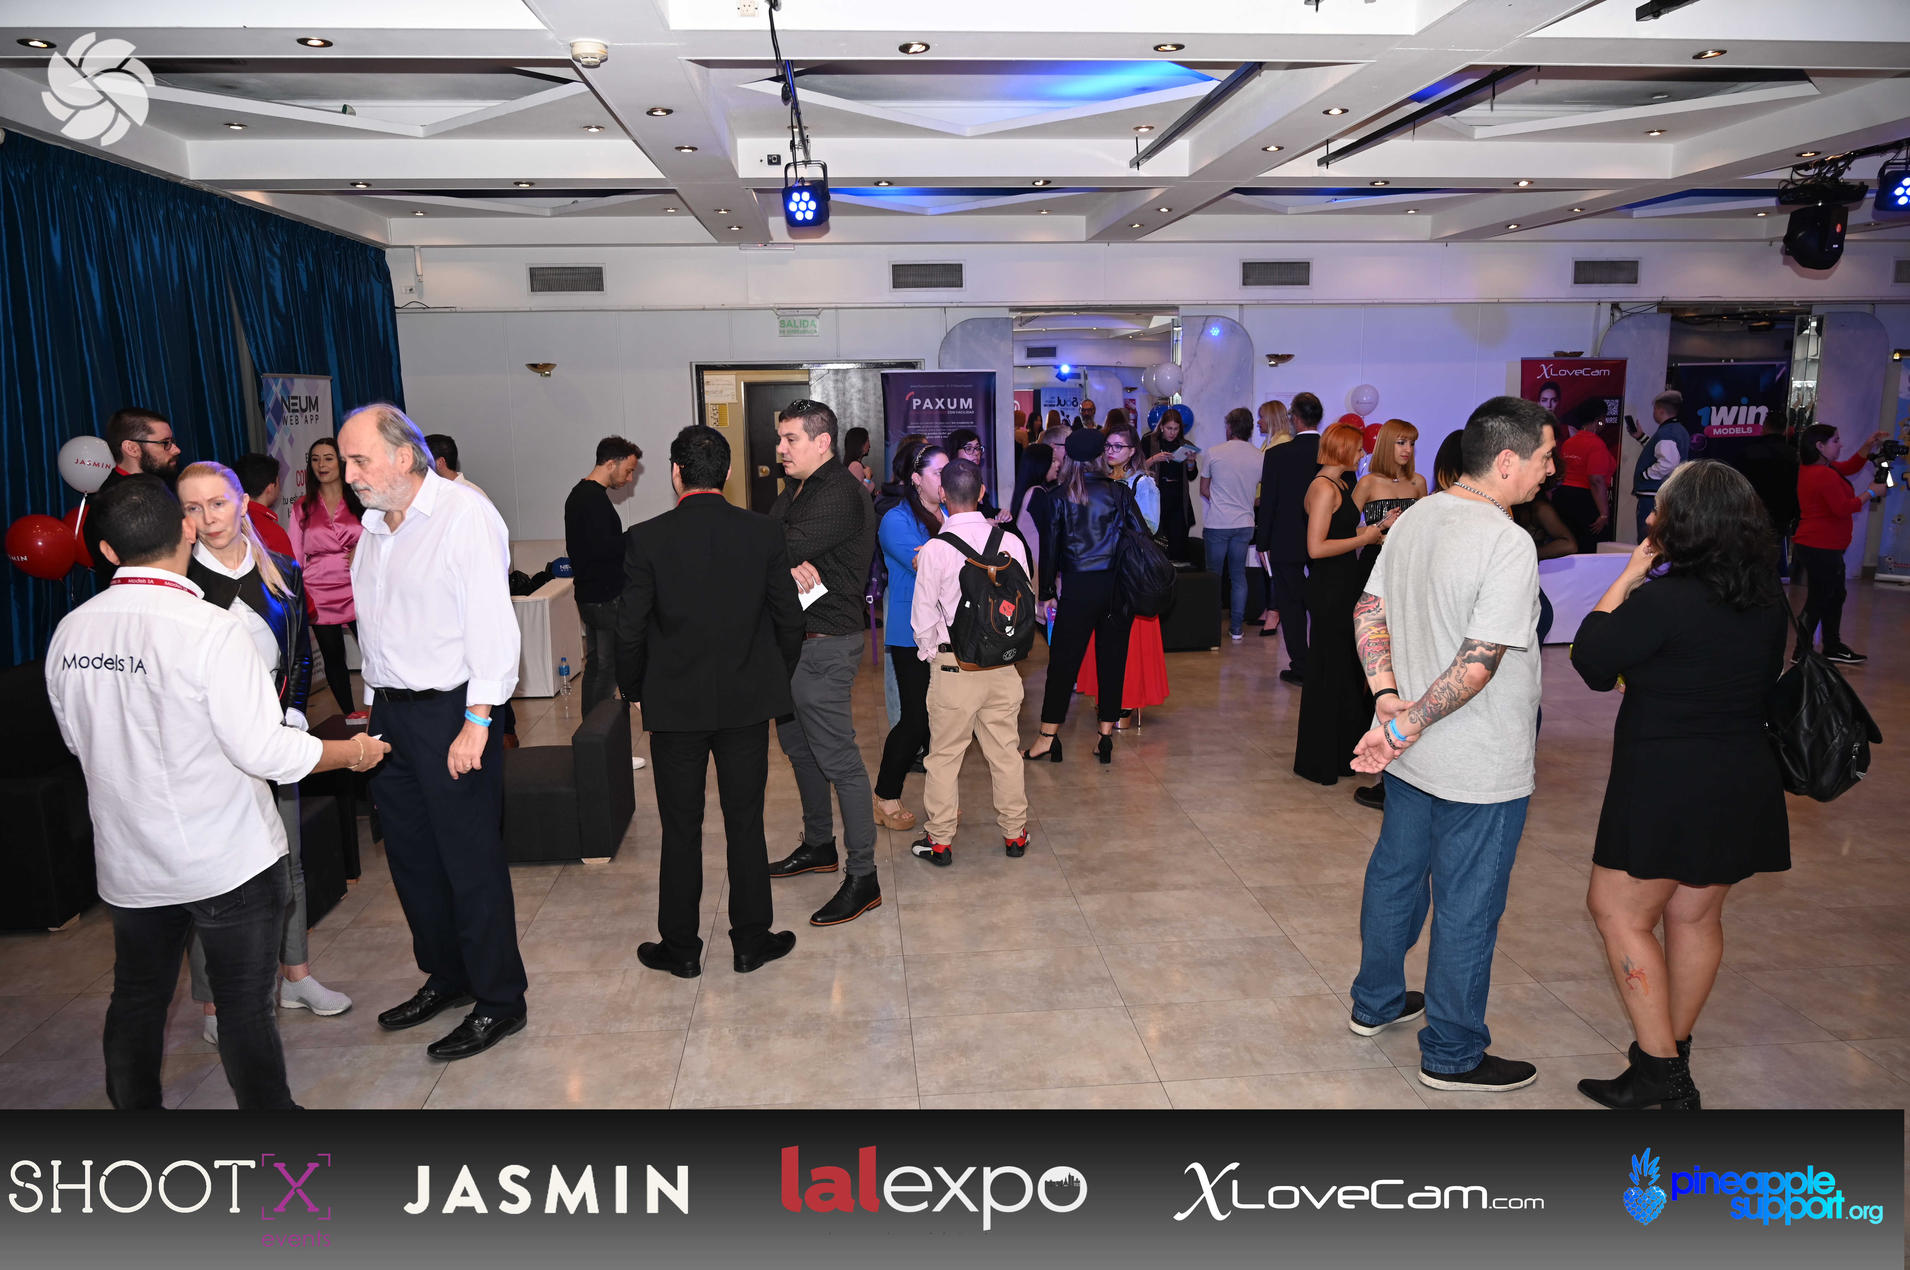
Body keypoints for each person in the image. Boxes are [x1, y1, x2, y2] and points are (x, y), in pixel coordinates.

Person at [45, 476, 388, 1109]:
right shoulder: (208, 629)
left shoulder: (70, 632)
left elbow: (77, 741)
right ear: (184, 529)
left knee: (137, 998)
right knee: (243, 1008)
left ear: (109, 552)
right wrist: (353, 752)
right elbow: (264, 751)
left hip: (130, 860)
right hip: (227, 858)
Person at [1346, 395, 1556, 1093]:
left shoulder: (1416, 514)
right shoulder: (1507, 541)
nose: (1550, 471)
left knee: (1396, 877)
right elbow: (1478, 662)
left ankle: (1376, 1002)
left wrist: (1388, 702)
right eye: (1545, 457)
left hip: (1415, 752)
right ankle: (1453, 1052)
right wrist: (1399, 722)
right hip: (1478, 760)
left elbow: (1368, 609)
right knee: (1468, 903)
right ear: (1507, 460)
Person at [1567, 460, 1788, 1111]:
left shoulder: (1666, 599)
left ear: (1682, 522)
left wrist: (1629, 573)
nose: (1650, 516)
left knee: (1617, 911)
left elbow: (1591, 659)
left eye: (1660, 507)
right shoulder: (1766, 598)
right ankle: (1666, 1059)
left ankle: (1662, 1073)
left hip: (1666, 778)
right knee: (1695, 916)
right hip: (1741, 773)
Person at [340, 405, 528, 1061]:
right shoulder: (373, 528)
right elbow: (378, 628)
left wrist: (479, 720)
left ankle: (500, 999)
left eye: (359, 460)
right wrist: (371, 711)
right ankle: (447, 976)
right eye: (346, 461)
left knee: (469, 862)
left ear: (403, 456)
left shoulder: (463, 513)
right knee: (413, 860)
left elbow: (491, 624)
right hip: (390, 715)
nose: (349, 475)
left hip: (452, 712)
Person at [616, 425, 804, 978]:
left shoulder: (646, 538)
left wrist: (636, 689)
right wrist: (771, 676)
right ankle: (751, 942)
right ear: (726, 474)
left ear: (676, 473)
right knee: (746, 822)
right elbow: (789, 620)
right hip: (746, 702)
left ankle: (680, 948)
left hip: (675, 706)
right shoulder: (762, 533)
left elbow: (629, 631)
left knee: (681, 827)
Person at [178, 461, 352, 1044]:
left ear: (241, 503)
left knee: (289, 862)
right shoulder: (180, 582)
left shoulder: (280, 570)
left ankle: (296, 976)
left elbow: (299, 653)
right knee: (215, 876)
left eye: (217, 503)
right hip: (208, 751)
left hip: (276, 740)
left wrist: (295, 712)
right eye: (193, 508)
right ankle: (214, 1005)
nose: (209, 518)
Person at [763, 399, 884, 927]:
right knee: (799, 748)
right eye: (780, 438)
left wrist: (783, 558)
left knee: (839, 760)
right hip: (795, 642)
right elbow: (772, 542)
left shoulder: (838, 493)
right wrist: (784, 564)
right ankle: (819, 845)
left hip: (826, 642)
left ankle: (864, 877)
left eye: (790, 439)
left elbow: (775, 546)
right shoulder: (800, 489)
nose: (780, 449)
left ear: (822, 442)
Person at [908, 458, 1034, 866]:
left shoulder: (935, 549)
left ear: (942, 494)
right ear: (982, 492)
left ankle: (940, 841)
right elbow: (1024, 601)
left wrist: (933, 655)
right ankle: (1015, 833)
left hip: (954, 669)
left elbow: (922, 618)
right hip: (1003, 667)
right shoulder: (1011, 542)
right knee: (1006, 753)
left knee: (944, 758)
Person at [1025, 428, 1149, 766]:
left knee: (1063, 666)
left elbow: (1050, 550)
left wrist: (1047, 593)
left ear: (1068, 458)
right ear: (1100, 456)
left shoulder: (1058, 496)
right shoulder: (1120, 493)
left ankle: (1047, 738)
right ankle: (1105, 736)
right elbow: (1141, 537)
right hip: (1117, 589)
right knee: (1112, 662)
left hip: (1078, 590)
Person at [1294, 424, 1394, 787]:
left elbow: (1341, 533)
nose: (1362, 454)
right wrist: (1364, 538)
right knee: (1328, 672)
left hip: (1342, 586)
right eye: (1357, 448)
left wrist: (1377, 527)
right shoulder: (1323, 487)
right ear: (1342, 451)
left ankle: (1338, 754)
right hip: (1329, 590)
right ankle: (1319, 760)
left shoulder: (1340, 485)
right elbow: (1316, 548)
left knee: (1343, 672)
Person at [873, 442, 948, 834]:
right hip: (911, 632)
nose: (946, 480)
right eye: (938, 473)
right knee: (916, 720)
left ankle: (940, 804)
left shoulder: (952, 515)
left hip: (948, 629)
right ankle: (885, 795)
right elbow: (925, 564)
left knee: (944, 720)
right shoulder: (896, 520)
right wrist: (945, 552)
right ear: (917, 479)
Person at [1080, 425, 1169, 729]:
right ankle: (1107, 696)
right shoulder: (1099, 480)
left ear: (1132, 451)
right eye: (1108, 446)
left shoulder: (1142, 483)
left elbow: (1150, 527)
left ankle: (1126, 700)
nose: (1111, 451)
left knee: (1130, 638)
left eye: (1118, 446)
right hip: (1103, 568)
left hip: (1129, 571)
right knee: (1104, 636)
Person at [1793, 423, 1887, 665]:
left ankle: (1830, 646)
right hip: (1820, 546)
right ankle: (1803, 651)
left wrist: (1868, 445)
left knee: (1833, 595)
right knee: (1821, 598)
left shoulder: (1821, 468)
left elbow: (1850, 467)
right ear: (1820, 446)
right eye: (1835, 440)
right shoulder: (1822, 474)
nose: (1840, 444)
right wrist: (1871, 492)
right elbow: (1843, 508)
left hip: (1821, 545)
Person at [289, 437, 366, 723]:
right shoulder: (303, 506)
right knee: (333, 656)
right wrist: (297, 594)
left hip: (359, 584)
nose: (321, 465)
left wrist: (363, 546)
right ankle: (350, 714)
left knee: (374, 651)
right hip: (318, 589)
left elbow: (383, 534)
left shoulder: (361, 498)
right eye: (315, 459)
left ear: (341, 462)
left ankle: (386, 705)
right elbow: (295, 553)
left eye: (328, 458)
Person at [565, 435, 643, 717]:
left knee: (598, 665)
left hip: (592, 594)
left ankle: (593, 733)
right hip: (604, 597)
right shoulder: (591, 499)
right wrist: (635, 537)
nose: (630, 478)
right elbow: (603, 549)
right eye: (628, 470)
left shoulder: (581, 494)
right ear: (611, 463)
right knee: (607, 668)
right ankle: (598, 734)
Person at [1255, 391, 1325, 684]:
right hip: (1325, 538)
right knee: (1322, 603)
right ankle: (1323, 663)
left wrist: (1263, 542)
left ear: (1294, 419)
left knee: (1292, 605)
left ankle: (1301, 666)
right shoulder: (1330, 451)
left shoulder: (1277, 454)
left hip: (1286, 538)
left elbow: (1269, 502)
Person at [86, 407, 181, 589]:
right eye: (165, 443)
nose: (176, 450)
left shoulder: (158, 486)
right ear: (132, 448)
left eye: (172, 442)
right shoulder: (111, 503)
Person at [1199, 408, 1262, 640]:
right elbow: (1265, 493)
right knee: (1238, 576)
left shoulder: (1214, 452)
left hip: (1218, 523)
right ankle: (1236, 629)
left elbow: (1204, 489)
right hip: (1245, 523)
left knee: (1213, 577)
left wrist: (1220, 500)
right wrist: (1247, 501)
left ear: (1229, 427)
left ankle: (1210, 627)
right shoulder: (1259, 456)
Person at [1732, 411, 1800, 579]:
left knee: (1748, 555)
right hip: (1782, 513)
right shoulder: (1793, 455)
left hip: (1751, 512)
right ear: (1784, 430)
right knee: (1773, 556)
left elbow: (1736, 484)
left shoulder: (1749, 452)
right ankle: (1770, 585)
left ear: (1764, 427)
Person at [1550, 400, 1614, 553]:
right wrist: (1604, 514)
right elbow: (1596, 480)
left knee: (1569, 546)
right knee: (1590, 548)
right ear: (1599, 419)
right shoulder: (1596, 444)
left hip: (1564, 498)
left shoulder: (1569, 443)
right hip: (1585, 501)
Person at [1629, 390, 1690, 541]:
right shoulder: (1678, 430)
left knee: (1648, 539)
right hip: (1663, 493)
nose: (1654, 413)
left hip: (1653, 495)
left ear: (1661, 410)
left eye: (1655, 409)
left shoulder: (1667, 433)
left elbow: (1668, 462)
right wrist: (1641, 437)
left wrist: (1646, 475)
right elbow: (1662, 453)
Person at [1143, 407, 1200, 563]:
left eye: (1176, 429)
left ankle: (1178, 573)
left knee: (1178, 546)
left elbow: (1192, 475)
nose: (1172, 433)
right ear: (1161, 426)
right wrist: (1155, 459)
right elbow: (1138, 469)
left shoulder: (1185, 445)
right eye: (1169, 428)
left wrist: (1191, 463)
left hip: (1178, 500)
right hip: (1156, 499)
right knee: (1157, 545)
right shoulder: (1149, 442)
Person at [231, 452, 298, 560]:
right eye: (278, 481)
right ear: (270, 488)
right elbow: (288, 570)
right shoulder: (273, 532)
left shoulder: (229, 521)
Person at [943, 428, 1000, 517]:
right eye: (969, 449)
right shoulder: (950, 481)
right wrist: (984, 522)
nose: (976, 453)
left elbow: (986, 511)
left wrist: (1000, 513)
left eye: (977, 448)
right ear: (955, 452)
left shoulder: (975, 476)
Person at [424, 433, 485, 499]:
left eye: (422, 460)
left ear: (440, 463)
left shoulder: (472, 496)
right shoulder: (432, 492)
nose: (418, 466)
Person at [843, 426, 876, 492]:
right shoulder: (855, 466)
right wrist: (868, 478)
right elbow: (858, 494)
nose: (869, 445)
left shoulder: (854, 464)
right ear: (861, 444)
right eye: (867, 441)